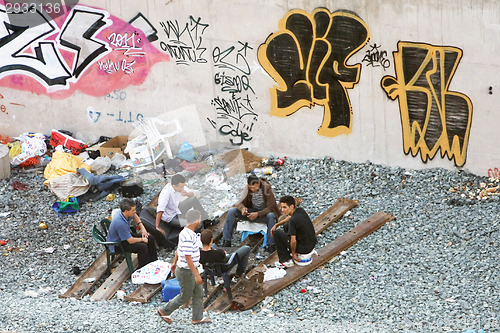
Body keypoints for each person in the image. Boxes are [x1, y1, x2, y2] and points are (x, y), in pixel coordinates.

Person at [157, 210, 211, 325]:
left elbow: (179, 250)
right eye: (199, 219)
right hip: (187, 270)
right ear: (195, 220)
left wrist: (174, 263)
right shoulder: (187, 236)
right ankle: (164, 310)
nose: (200, 221)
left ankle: (197, 317)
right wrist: (196, 274)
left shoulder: (186, 233)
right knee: (185, 296)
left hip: (188, 268)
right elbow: (187, 257)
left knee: (198, 293)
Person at [151, 174, 216, 248]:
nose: (182, 188)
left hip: (177, 209)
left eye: (183, 186)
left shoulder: (180, 186)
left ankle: (206, 221)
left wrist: (187, 194)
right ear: (174, 186)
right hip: (171, 217)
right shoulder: (166, 193)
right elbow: (160, 210)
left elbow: (192, 194)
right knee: (192, 223)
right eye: (181, 187)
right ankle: (197, 239)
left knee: (193, 199)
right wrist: (157, 226)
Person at [221, 174, 280, 249]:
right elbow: (239, 202)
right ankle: (226, 240)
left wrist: (258, 214)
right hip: (252, 212)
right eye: (251, 188)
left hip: (263, 214)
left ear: (258, 183)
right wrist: (243, 208)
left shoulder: (266, 188)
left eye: (254, 187)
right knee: (232, 211)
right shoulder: (247, 188)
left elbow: (271, 207)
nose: (253, 190)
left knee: (271, 216)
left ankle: (270, 244)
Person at [107, 198, 157, 269]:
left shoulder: (126, 213)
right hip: (118, 243)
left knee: (150, 238)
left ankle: (154, 261)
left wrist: (142, 227)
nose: (135, 211)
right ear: (126, 211)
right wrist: (142, 239)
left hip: (125, 236)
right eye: (133, 210)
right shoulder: (120, 223)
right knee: (142, 247)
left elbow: (135, 215)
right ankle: (142, 268)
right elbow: (130, 241)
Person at [271, 195, 317, 268]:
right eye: (282, 207)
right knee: (286, 225)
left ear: (291, 206)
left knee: (277, 233)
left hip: (304, 249)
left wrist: (294, 253)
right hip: (311, 244)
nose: (282, 210)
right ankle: (290, 249)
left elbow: (293, 241)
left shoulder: (293, 221)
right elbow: (290, 217)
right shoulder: (300, 210)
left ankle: (286, 260)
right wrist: (277, 224)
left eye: (284, 207)